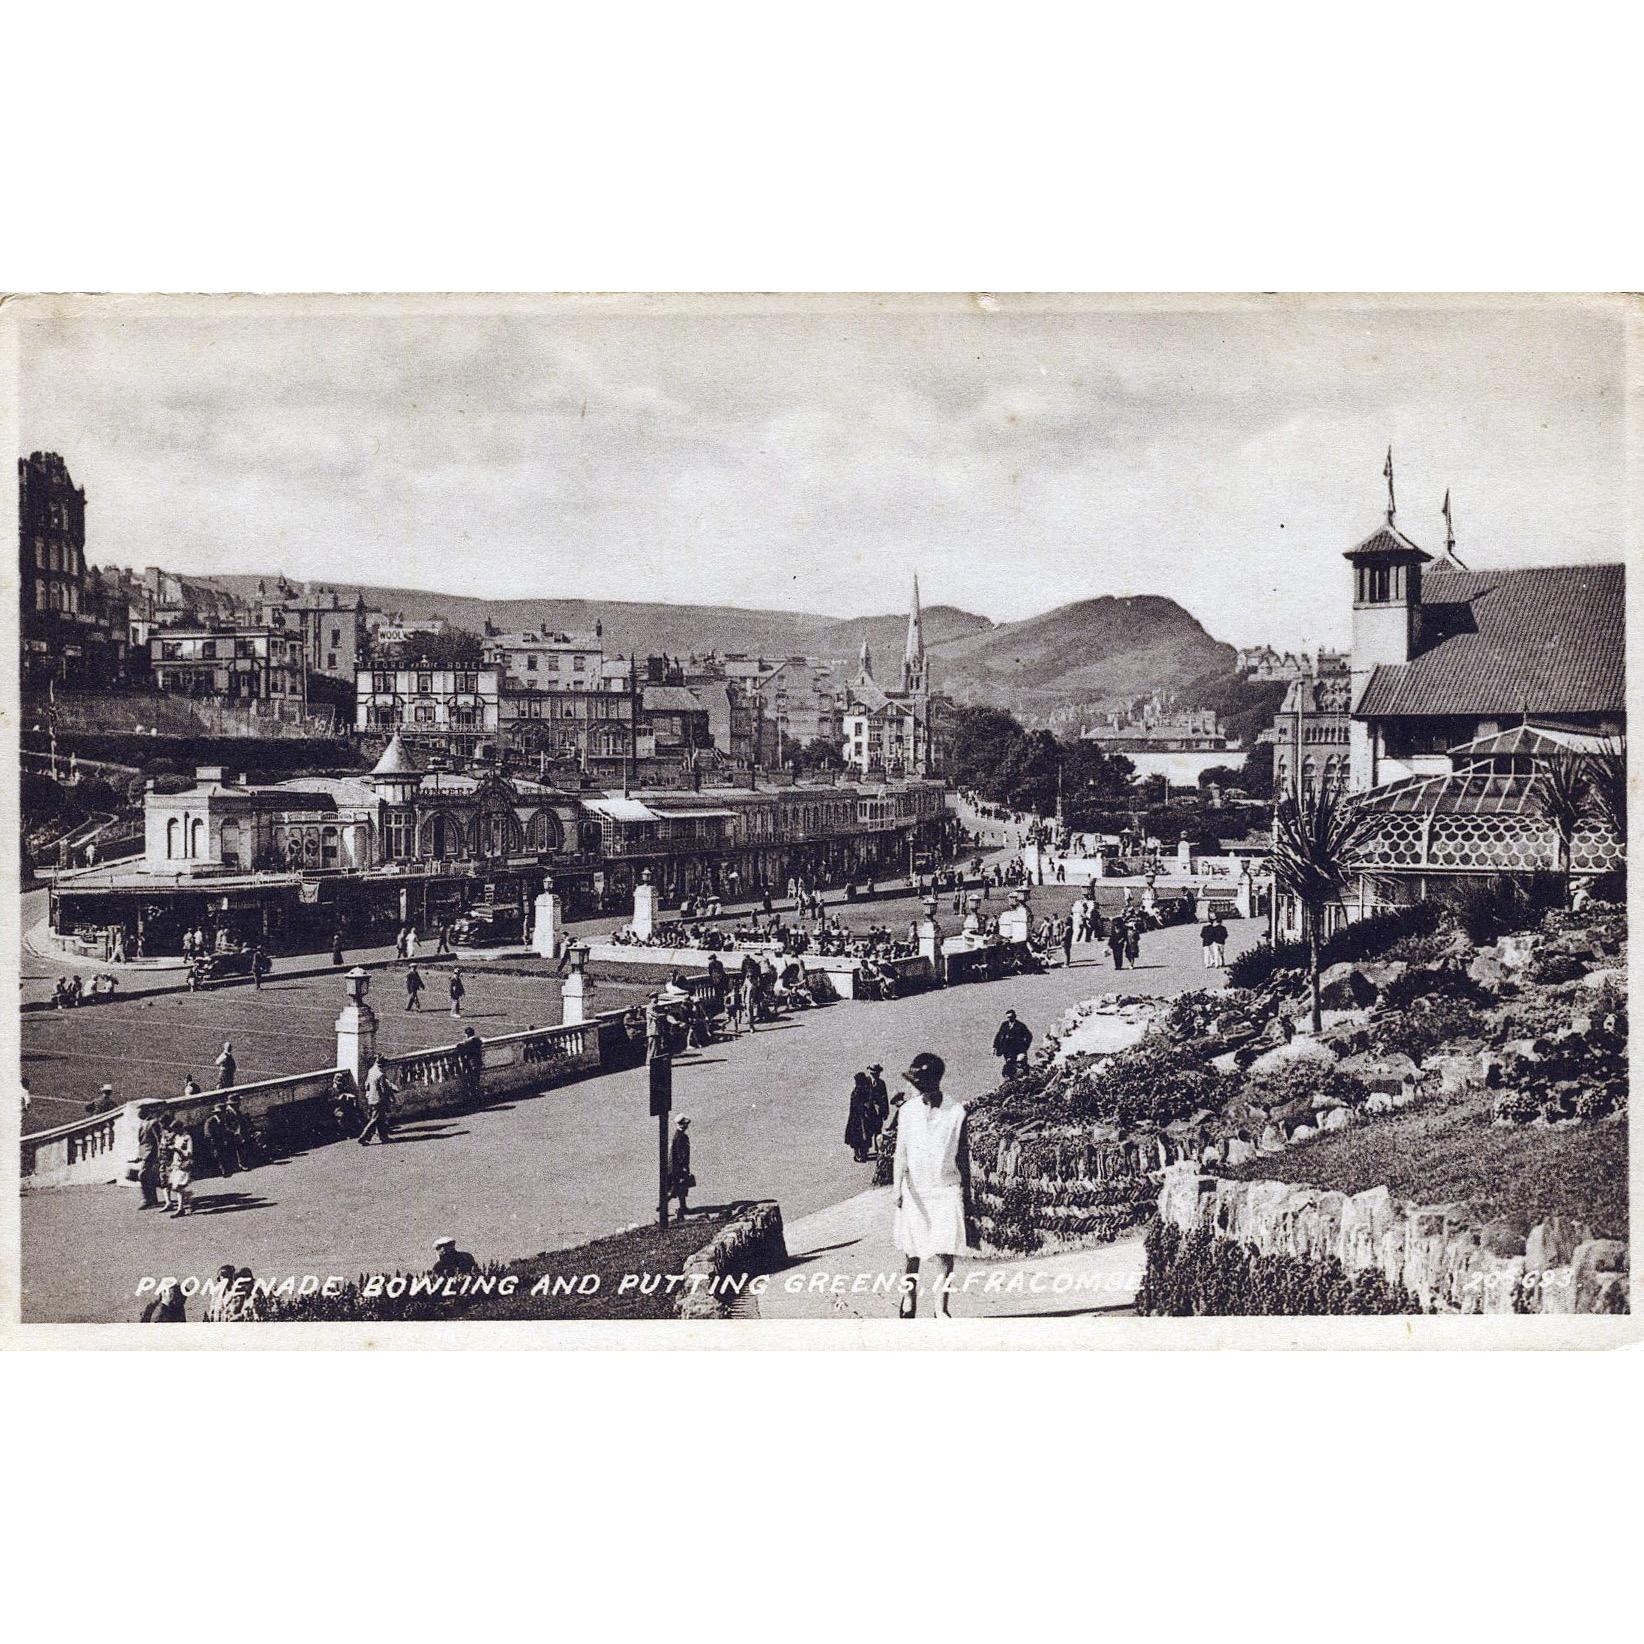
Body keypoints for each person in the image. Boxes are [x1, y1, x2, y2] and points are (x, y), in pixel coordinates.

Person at [891, 1052, 975, 1319]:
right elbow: (900, 1152)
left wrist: (966, 1193)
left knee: (944, 1250)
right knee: (910, 1252)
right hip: (914, 1190)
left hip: (945, 1188)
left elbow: (963, 1156)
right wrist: (897, 1188)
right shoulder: (907, 1112)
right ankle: (908, 1298)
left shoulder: (956, 1112)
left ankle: (941, 1307)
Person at [358, 1056, 395, 1144]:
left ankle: (384, 1137)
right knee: (375, 1119)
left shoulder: (371, 1070)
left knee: (380, 1119)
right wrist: (391, 1097)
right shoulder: (380, 1075)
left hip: (371, 1098)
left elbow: (367, 1084)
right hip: (379, 1100)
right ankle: (363, 1137)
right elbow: (383, 1090)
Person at [845, 1071, 880, 1162]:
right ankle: (862, 1154)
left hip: (858, 1118)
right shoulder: (864, 1091)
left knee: (858, 1138)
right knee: (863, 1137)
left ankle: (859, 1155)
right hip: (862, 1118)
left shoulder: (858, 1091)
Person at [135, 1104, 165, 1208]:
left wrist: (159, 1154)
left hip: (152, 1153)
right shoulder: (143, 1123)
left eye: (141, 1111)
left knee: (142, 1175)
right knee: (149, 1176)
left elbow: (158, 1139)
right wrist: (139, 1155)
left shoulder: (154, 1123)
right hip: (145, 1153)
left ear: (146, 1111)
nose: (139, 1114)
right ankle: (152, 1199)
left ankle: (146, 1199)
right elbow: (141, 1142)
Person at [164, 1120, 194, 1216]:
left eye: (176, 1129)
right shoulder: (177, 1137)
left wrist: (177, 1150)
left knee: (177, 1187)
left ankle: (188, 1197)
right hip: (176, 1164)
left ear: (180, 1127)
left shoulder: (187, 1138)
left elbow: (189, 1153)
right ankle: (181, 1208)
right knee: (173, 1186)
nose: (174, 1131)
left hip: (184, 1164)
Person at [992, 1010, 1033, 1079]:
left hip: (1018, 1049)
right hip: (1007, 1050)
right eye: (1008, 1017)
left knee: (1020, 1064)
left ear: (1014, 1017)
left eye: (1011, 1017)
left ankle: (1026, 1076)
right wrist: (995, 1046)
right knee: (1010, 1064)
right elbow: (999, 1036)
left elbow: (1029, 1036)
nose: (1009, 1019)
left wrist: (1025, 1046)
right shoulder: (1004, 1025)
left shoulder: (1020, 1026)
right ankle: (1011, 1079)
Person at [668, 1117, 694, 1219]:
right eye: (685, 1124)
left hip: (676, 1167)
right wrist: (683, 1167)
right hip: (678, 1167)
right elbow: (680, 1154)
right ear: (681, 1125)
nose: (687, 1126)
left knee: (681, 1187)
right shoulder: (680, 1137)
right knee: (677, 1187)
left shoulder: (679, 1136)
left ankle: (683, 1207)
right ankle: (664, 1204)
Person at [202, 1100, 236, 1179]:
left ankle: (227, 1169)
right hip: (212, 1141)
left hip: (221, 1140)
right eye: (221, 1113)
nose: (223, 1114)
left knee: (224, 1153)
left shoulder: (223, 1120)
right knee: (217, 1155)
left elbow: (226, 1129)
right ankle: (220, 1171)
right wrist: (212, 1142)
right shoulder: (210, 1121)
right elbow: (207, 1133)